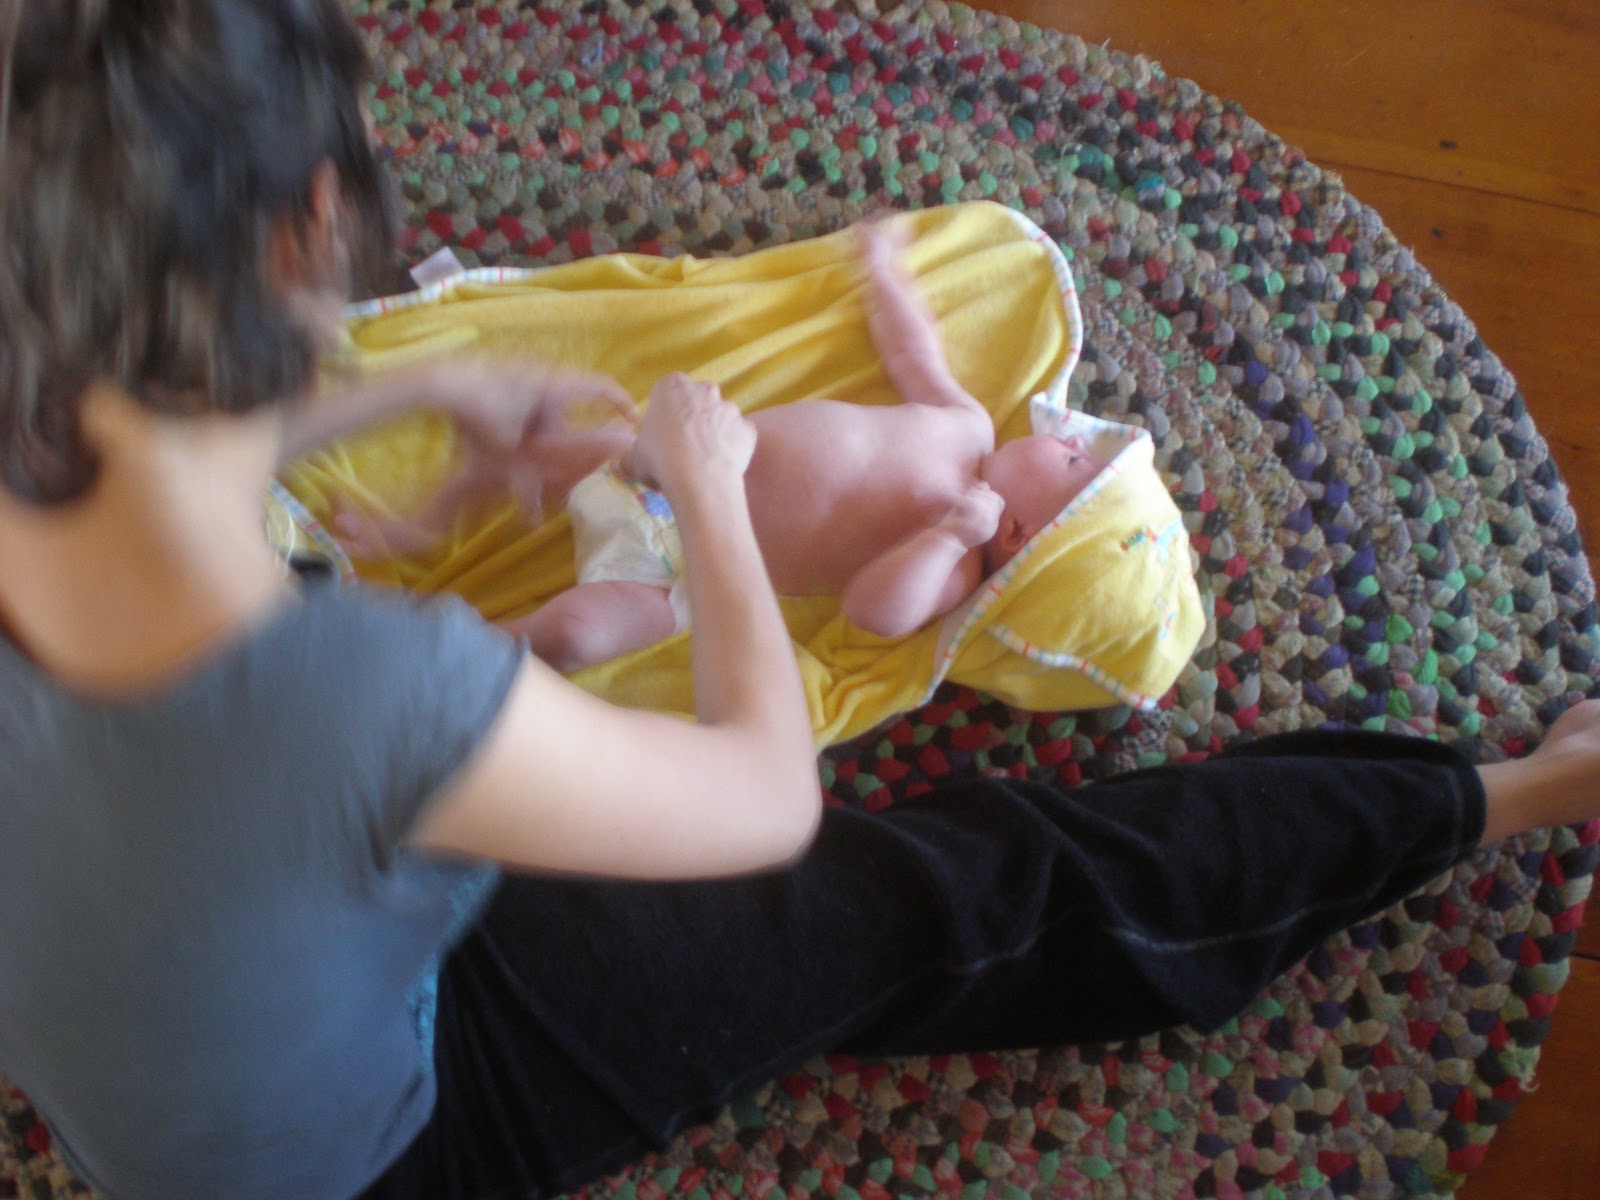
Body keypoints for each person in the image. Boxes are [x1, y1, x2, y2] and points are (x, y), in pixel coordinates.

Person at [0, 4, 1595, 1200]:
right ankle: (1503, 798)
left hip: (167, 1054)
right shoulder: (373, 681)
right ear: (307, 227)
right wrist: (705, 488)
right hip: (385, 1140)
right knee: (964, 889)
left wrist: (422, 393)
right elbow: (764, 800)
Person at [330, 220, 1107, 672]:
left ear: (1017, 531)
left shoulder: (955, 565)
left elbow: (873, 610)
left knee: (577, 634)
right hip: (659, 462)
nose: (1071, 435)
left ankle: (433, 656)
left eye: (1074, 461)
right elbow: (914, 354)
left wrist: (949, 536)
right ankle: (409, 531)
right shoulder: (967, 423)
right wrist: (886, 273)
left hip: (684, 569)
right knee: (525, 451)